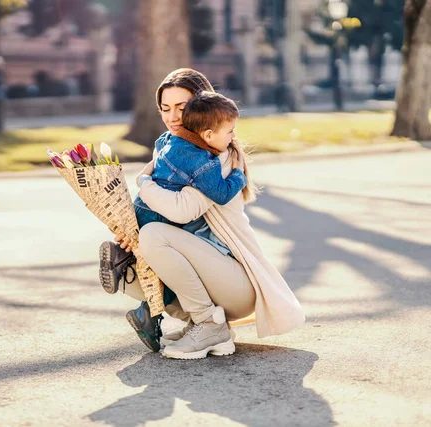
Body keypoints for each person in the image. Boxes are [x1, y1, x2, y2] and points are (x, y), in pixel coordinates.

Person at [98, 68, 304, 359]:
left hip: (236, 282)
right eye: (165, 109)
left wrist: (143, 183)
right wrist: (129, 232)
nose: (171, 117)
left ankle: (210, 325)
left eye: (181, 108)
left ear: (203, 109)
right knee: (130, 268)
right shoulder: (178, 150)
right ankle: (201, 324)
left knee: (154, 236)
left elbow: (182, 211)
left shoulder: (216, 161)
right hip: (212, 273)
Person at [132, 91, 248, 230]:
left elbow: (159, 149)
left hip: (141, 205)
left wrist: (144, 179)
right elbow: (222, 195)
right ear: (209, 135)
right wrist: (238, 174)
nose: (234, 135)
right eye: (230, 131)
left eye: (181, 109)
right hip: (161, 216)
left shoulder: (169, 140)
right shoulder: (204, 164)